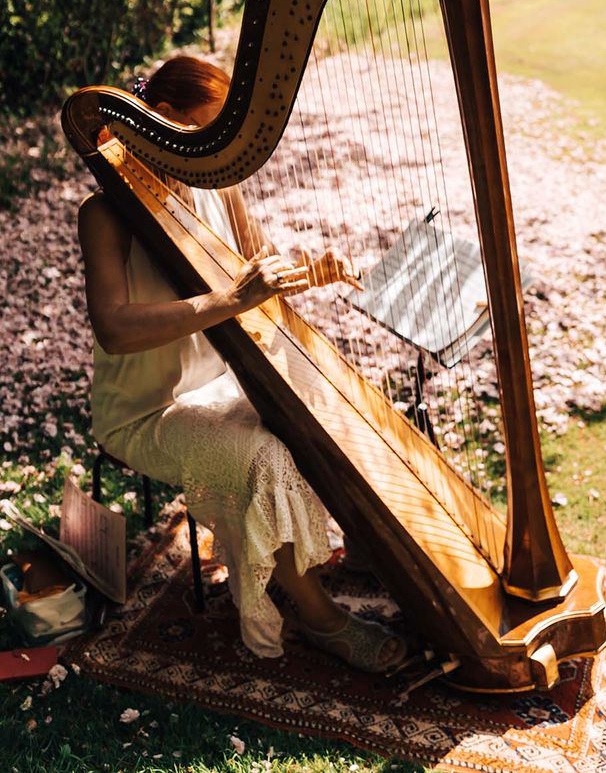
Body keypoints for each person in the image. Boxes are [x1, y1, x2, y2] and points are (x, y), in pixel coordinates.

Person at [78, 55, 405, 672]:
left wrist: (312, 269)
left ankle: (362, 544)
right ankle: (320, 619)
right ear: (162, 119)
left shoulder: (215, 184)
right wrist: (227, 301)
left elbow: (257, 270)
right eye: (202, 133)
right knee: (265, 458)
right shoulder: (105, 215)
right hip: (147, 410)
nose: (211, 153)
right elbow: (115, 330)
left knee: (327, 402)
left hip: (220, 381)